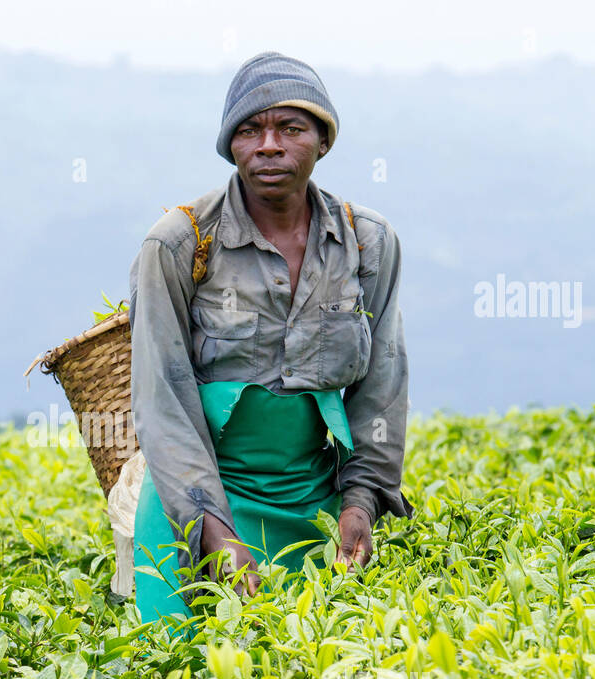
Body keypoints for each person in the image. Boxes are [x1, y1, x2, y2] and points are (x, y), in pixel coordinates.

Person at [129, 51, 413, 626]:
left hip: (313, 508)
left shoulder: (368, 242)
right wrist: (212, 530)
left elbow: (382, 386)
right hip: (196, 502)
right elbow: (162, 399)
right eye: (250, 130)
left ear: (323, 141)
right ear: (230, 145)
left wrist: (361, 502)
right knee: (178, 662)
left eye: (291, 128)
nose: (269, 145)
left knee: (308, 659)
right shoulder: (179, 244)